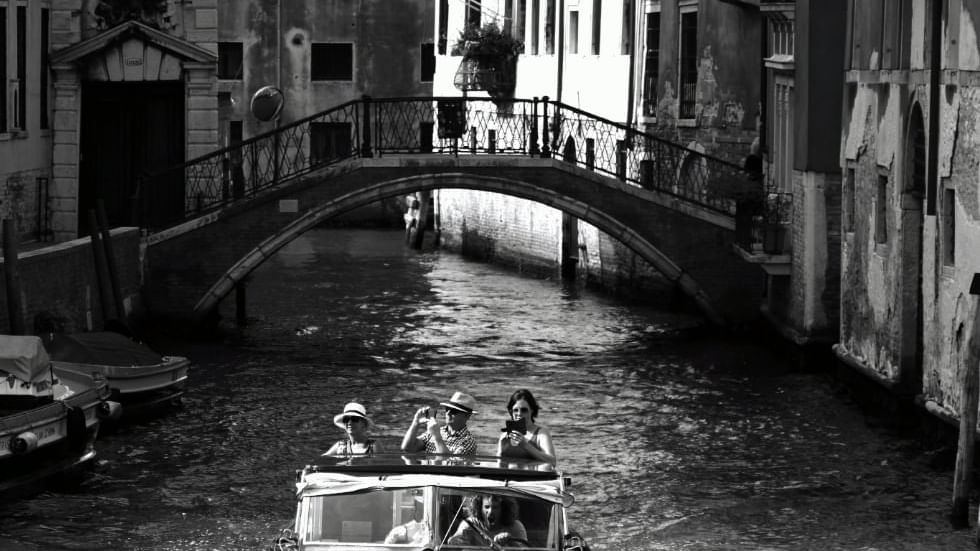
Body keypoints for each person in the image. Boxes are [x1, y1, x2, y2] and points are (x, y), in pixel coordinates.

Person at [401, 391, 478, 455]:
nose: (448, 413)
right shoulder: (436, 431)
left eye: (454, 411)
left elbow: (448, 465)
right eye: (447, 409)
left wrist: (437, 437)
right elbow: (408, 448)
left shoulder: (469, 442)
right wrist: (415, 423)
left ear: (467, 416)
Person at [497, 389, 556, 465]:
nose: (519, 414)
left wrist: (525, 445)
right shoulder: (504, 436)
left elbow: (552, 461)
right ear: (511, 412)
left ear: (532, 410)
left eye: (524, 410)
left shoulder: (541, 434)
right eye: (515, 410)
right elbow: (498, 463)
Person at [447, 494, 528, 548]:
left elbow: (524, 550)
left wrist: (511, 542)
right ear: (479, 507)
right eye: (487, 507)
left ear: (503, 509)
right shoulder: (470, 524)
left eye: (495, 507)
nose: (491, 511)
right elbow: (456, 542)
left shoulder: (515, 527)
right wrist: (454, 541)